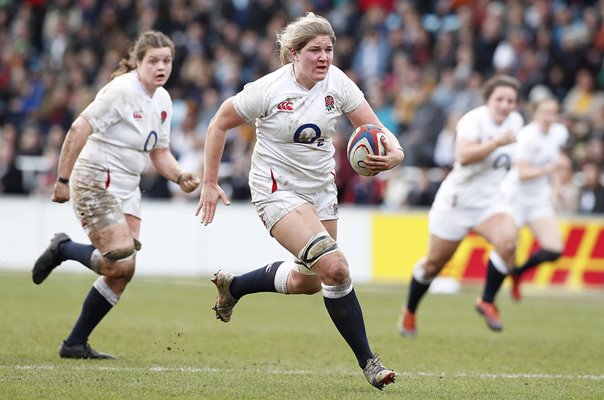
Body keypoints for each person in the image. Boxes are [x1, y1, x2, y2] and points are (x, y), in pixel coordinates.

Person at [195, 13, 403, 390]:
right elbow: (218, 124)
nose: (324, 57)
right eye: (314, 50)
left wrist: (397, 153)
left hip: (320, 190)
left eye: (329, 49)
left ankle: (235, 287)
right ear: (293, 54)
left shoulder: (337, 82)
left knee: (308, 282)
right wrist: (209, 182)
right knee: (336, 268)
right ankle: (369, 362)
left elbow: (373, 128)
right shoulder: (267, 90)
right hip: (276, 189)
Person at [32, 31, 200, 359]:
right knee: (120, 256)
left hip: (127, 187)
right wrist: (62, 179)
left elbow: (160, 152)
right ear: (138, 62)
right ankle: (63, 248)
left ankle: (74, 344)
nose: (161, 66)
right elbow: (79, 128)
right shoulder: (121, 91)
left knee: (124, 269)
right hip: (95, 179)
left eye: (167, 60)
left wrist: (180, 176)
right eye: (153, 60)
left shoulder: (163, 100)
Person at [398, 75, 523, 336]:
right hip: (457, 202)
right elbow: (463, 156)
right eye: (499, 99)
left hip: (489, 202)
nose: (505, 105)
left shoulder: (516, 122)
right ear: (488, 99)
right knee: (434, 264)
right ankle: (409, 310)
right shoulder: (473, 121)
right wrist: (496, 143)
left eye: (510, 100)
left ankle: (487, 300)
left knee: (509, 242)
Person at [501, 97, 569, 301]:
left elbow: (556, 159)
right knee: (507, 247)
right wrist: (550, 169)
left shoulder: (559, 133)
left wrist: (557, 186)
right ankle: (488, 297)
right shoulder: (527, 136)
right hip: (516, 197)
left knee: (554, 249)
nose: (550, 117)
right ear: (535, 113)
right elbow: (522, 173)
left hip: (538, 198)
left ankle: (519, 272)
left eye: (553, 112)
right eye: (545, 112)